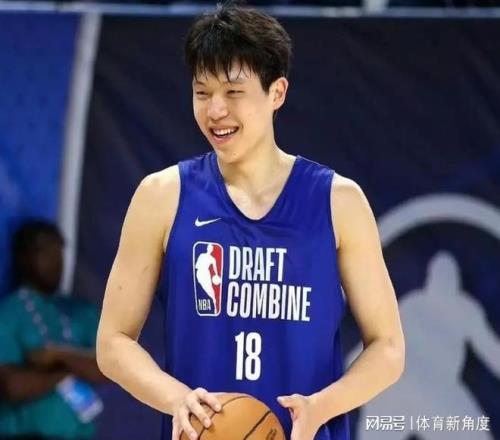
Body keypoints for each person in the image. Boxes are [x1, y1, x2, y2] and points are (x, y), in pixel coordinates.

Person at [96, 4, 405, 440]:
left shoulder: (339, 201)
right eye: (202, 92)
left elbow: (388, 348)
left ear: (277, 93)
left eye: (233, 92)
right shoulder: (161, 196)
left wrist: (322, 406)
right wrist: (176, 398)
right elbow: (112, 342)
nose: (215, 110)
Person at [0, 221, 105, 440]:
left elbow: (107, 368)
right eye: (46, 250)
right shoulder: (9, 314)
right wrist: (68, 372)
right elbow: (12, 386)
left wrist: (60, 356)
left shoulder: (80, 311)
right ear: (24, 257)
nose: (56, 260)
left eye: (59, 250)